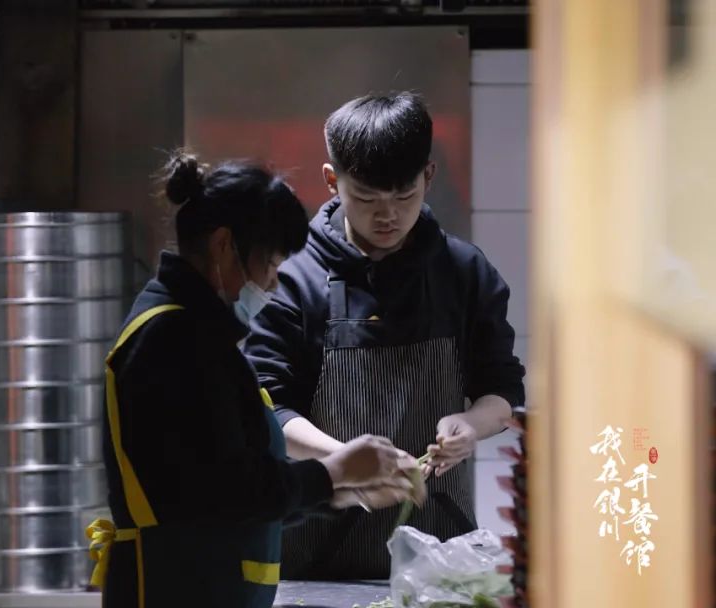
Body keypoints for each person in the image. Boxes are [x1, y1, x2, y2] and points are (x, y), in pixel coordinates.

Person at [88, 152, 424, 608]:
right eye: (270, 263)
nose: (271, 284)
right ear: (225, 245)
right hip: (176, 588)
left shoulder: (198, 334)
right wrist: (336, 471)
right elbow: (228, 492)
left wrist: (343, 492)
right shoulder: (171, 338)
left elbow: (235, 487)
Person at [243, 92, 526, 580]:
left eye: (404, 196)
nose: (387, 215)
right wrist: (344, 461)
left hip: (439, 555)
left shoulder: (463, 271)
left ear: (428, 177)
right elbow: (269, 409)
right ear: (331, 180)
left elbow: (502, 390)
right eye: (367, 198)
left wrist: (470, 424)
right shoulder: (292, 278)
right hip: (316, 560)